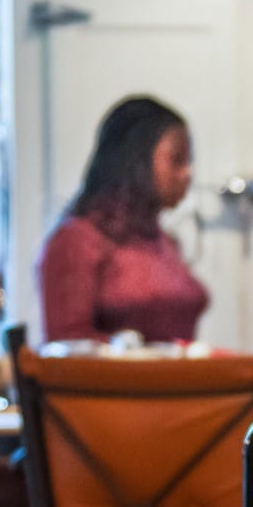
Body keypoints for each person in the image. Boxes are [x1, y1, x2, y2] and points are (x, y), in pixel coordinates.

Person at [38, 96, 209, 344]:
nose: (187, 174)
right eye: (177, 160)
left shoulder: (166, 243)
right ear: (136, 159)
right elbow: (68, 347)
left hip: (177, 382)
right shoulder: (77, 240)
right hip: (109, 383)